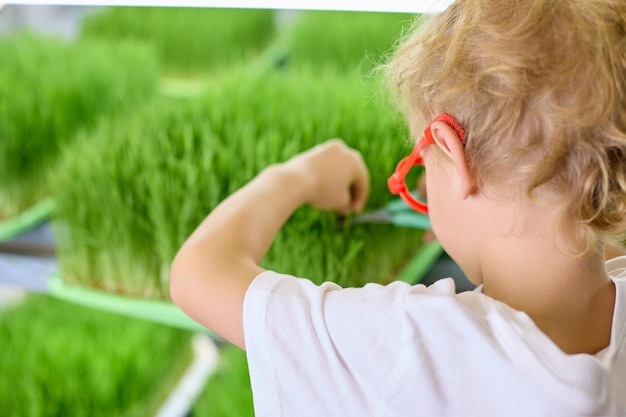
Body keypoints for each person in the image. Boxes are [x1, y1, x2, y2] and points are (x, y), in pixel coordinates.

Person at [170, 0, 626, 415]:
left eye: (421, 160)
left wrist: (297, 175)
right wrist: (474, 224)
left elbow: (196, 274)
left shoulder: (418, 343)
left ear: (453, 152)